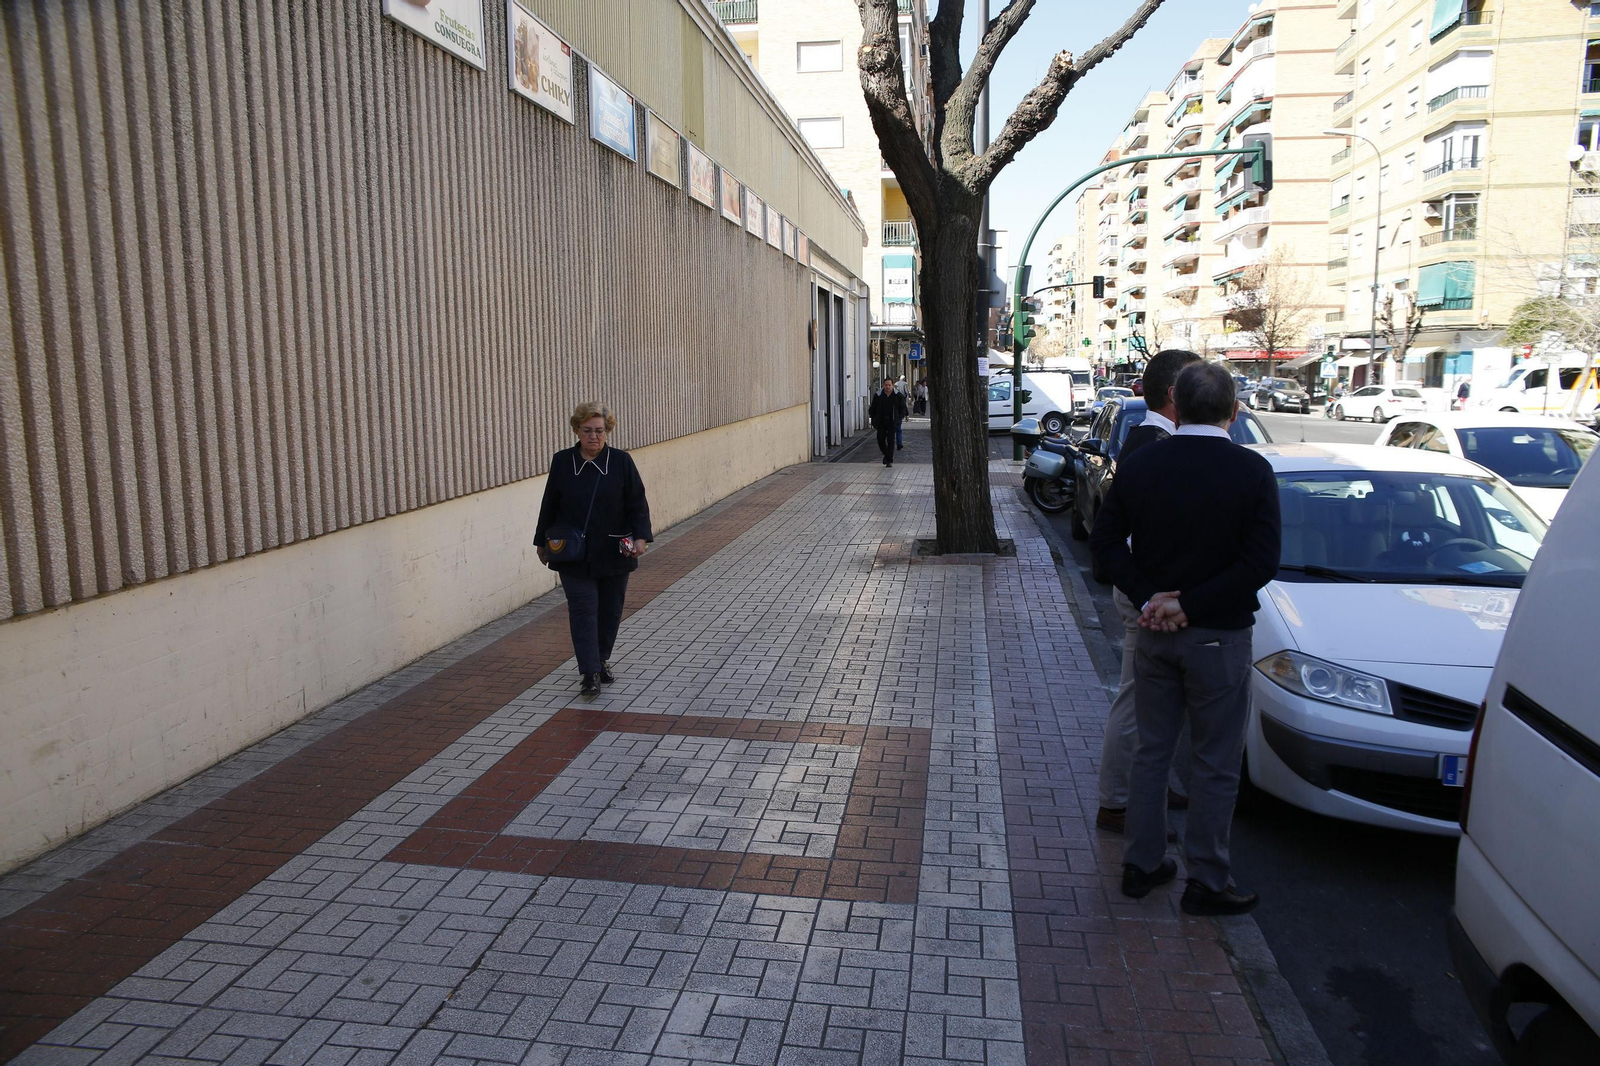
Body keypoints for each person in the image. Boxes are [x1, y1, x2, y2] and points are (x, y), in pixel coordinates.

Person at [1089, 362, 1281, 916]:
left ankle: (1142, 863)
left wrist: (1152, 596)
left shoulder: (1143, 463)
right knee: (1215, 761)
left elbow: (1105, 543)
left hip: (1154, 633)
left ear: (1177, 404)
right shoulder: (1251, 472)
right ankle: (1207, 880)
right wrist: (1190, 603)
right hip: (1218, 637)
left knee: (1152, 752)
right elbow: (1260, 562)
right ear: (1233, 411)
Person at [1094, 349, 1201, 836]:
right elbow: (1117, 535)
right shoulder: (1154, 443)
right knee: (1137, 700)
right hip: (1146, 591)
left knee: (1148, 700)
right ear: (1176, 393)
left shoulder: (1151, 437)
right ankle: (1117, 801)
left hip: (1146, 589)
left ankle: (1145, 786)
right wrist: (1147, 595)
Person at [535, 402, 653, 698]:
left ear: (607, 431)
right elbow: (549, 502)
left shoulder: (621, 461)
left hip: (614, 550)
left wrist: (641, 537)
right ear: (576, 430)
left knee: (610, 610)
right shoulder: (563, 461)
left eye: (599, 431)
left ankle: (600, 659)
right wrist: (541, 541)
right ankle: (588, 672)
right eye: (587, 430)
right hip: (573, 553)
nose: (593, 437)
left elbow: (636, 501)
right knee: (583, 610)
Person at [868, 379, 907, 466]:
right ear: (883, 385)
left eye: (889, 385)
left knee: (891, 441)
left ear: (892, 385)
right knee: (880, 439)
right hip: (881, 422)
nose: (887, 387)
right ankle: (887, 455)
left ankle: (889, 460)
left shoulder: (897, 395)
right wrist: (873, 419)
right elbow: (872, 408)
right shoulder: (878, 395)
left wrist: (899, 418)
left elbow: (903, 408)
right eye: (886, 385)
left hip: (892, 422)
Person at [894, 376, 910, 448]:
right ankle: (899, 443)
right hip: (897, 415)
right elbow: (906, 391)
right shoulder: (905, 384)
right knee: (898, 430)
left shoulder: (896, 384)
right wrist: (906, 414)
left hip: (896, 415)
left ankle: (896, 443)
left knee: (895, 430)